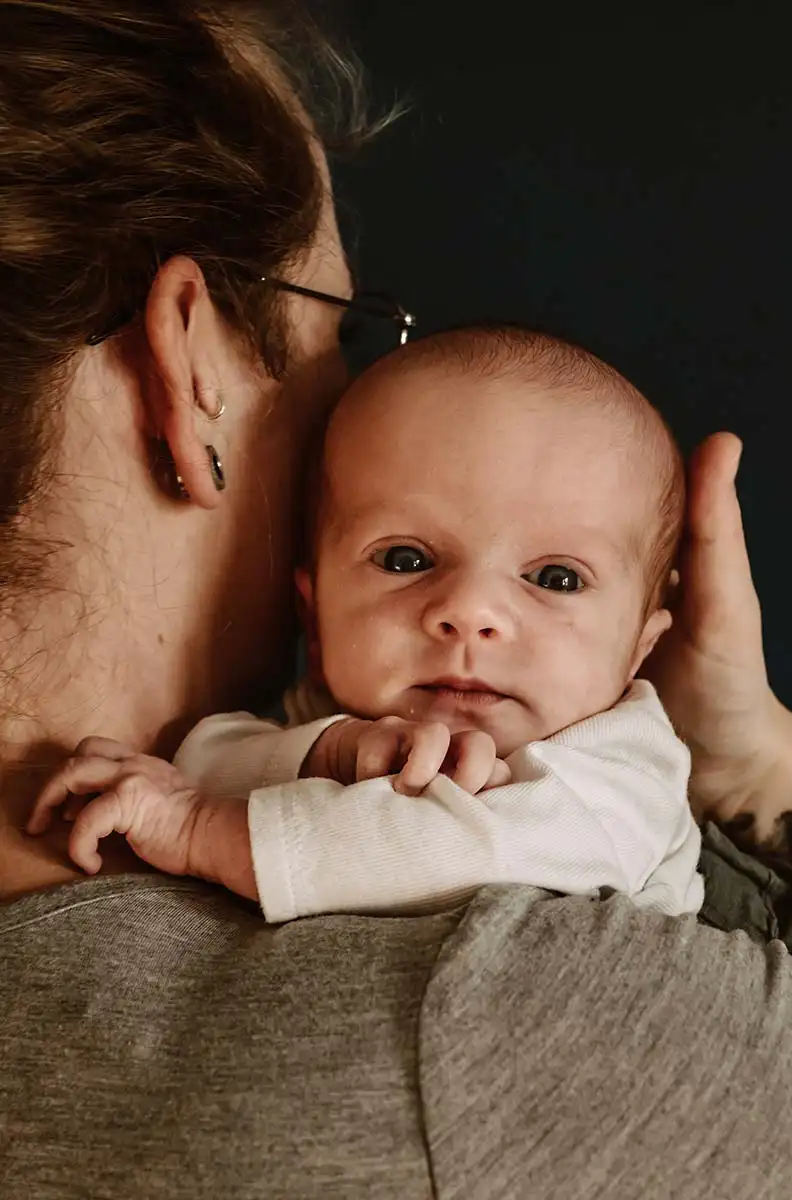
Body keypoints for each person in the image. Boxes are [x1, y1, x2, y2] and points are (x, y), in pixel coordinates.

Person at [3, 3, 792, 1197]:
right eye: (347, 334)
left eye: (554, 577)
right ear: (192, 363)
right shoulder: (494, 1033)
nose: (469, 615)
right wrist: (767, 774)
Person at [28, 326, 703, 922]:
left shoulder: (622, 768)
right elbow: (205, 757)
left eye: (555, 578)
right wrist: (326, 752)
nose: (468, 612)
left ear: (640, 648)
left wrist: (203, 829)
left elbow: (473, 852)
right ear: (313, 613)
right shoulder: (336, 714)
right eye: (406, 559)